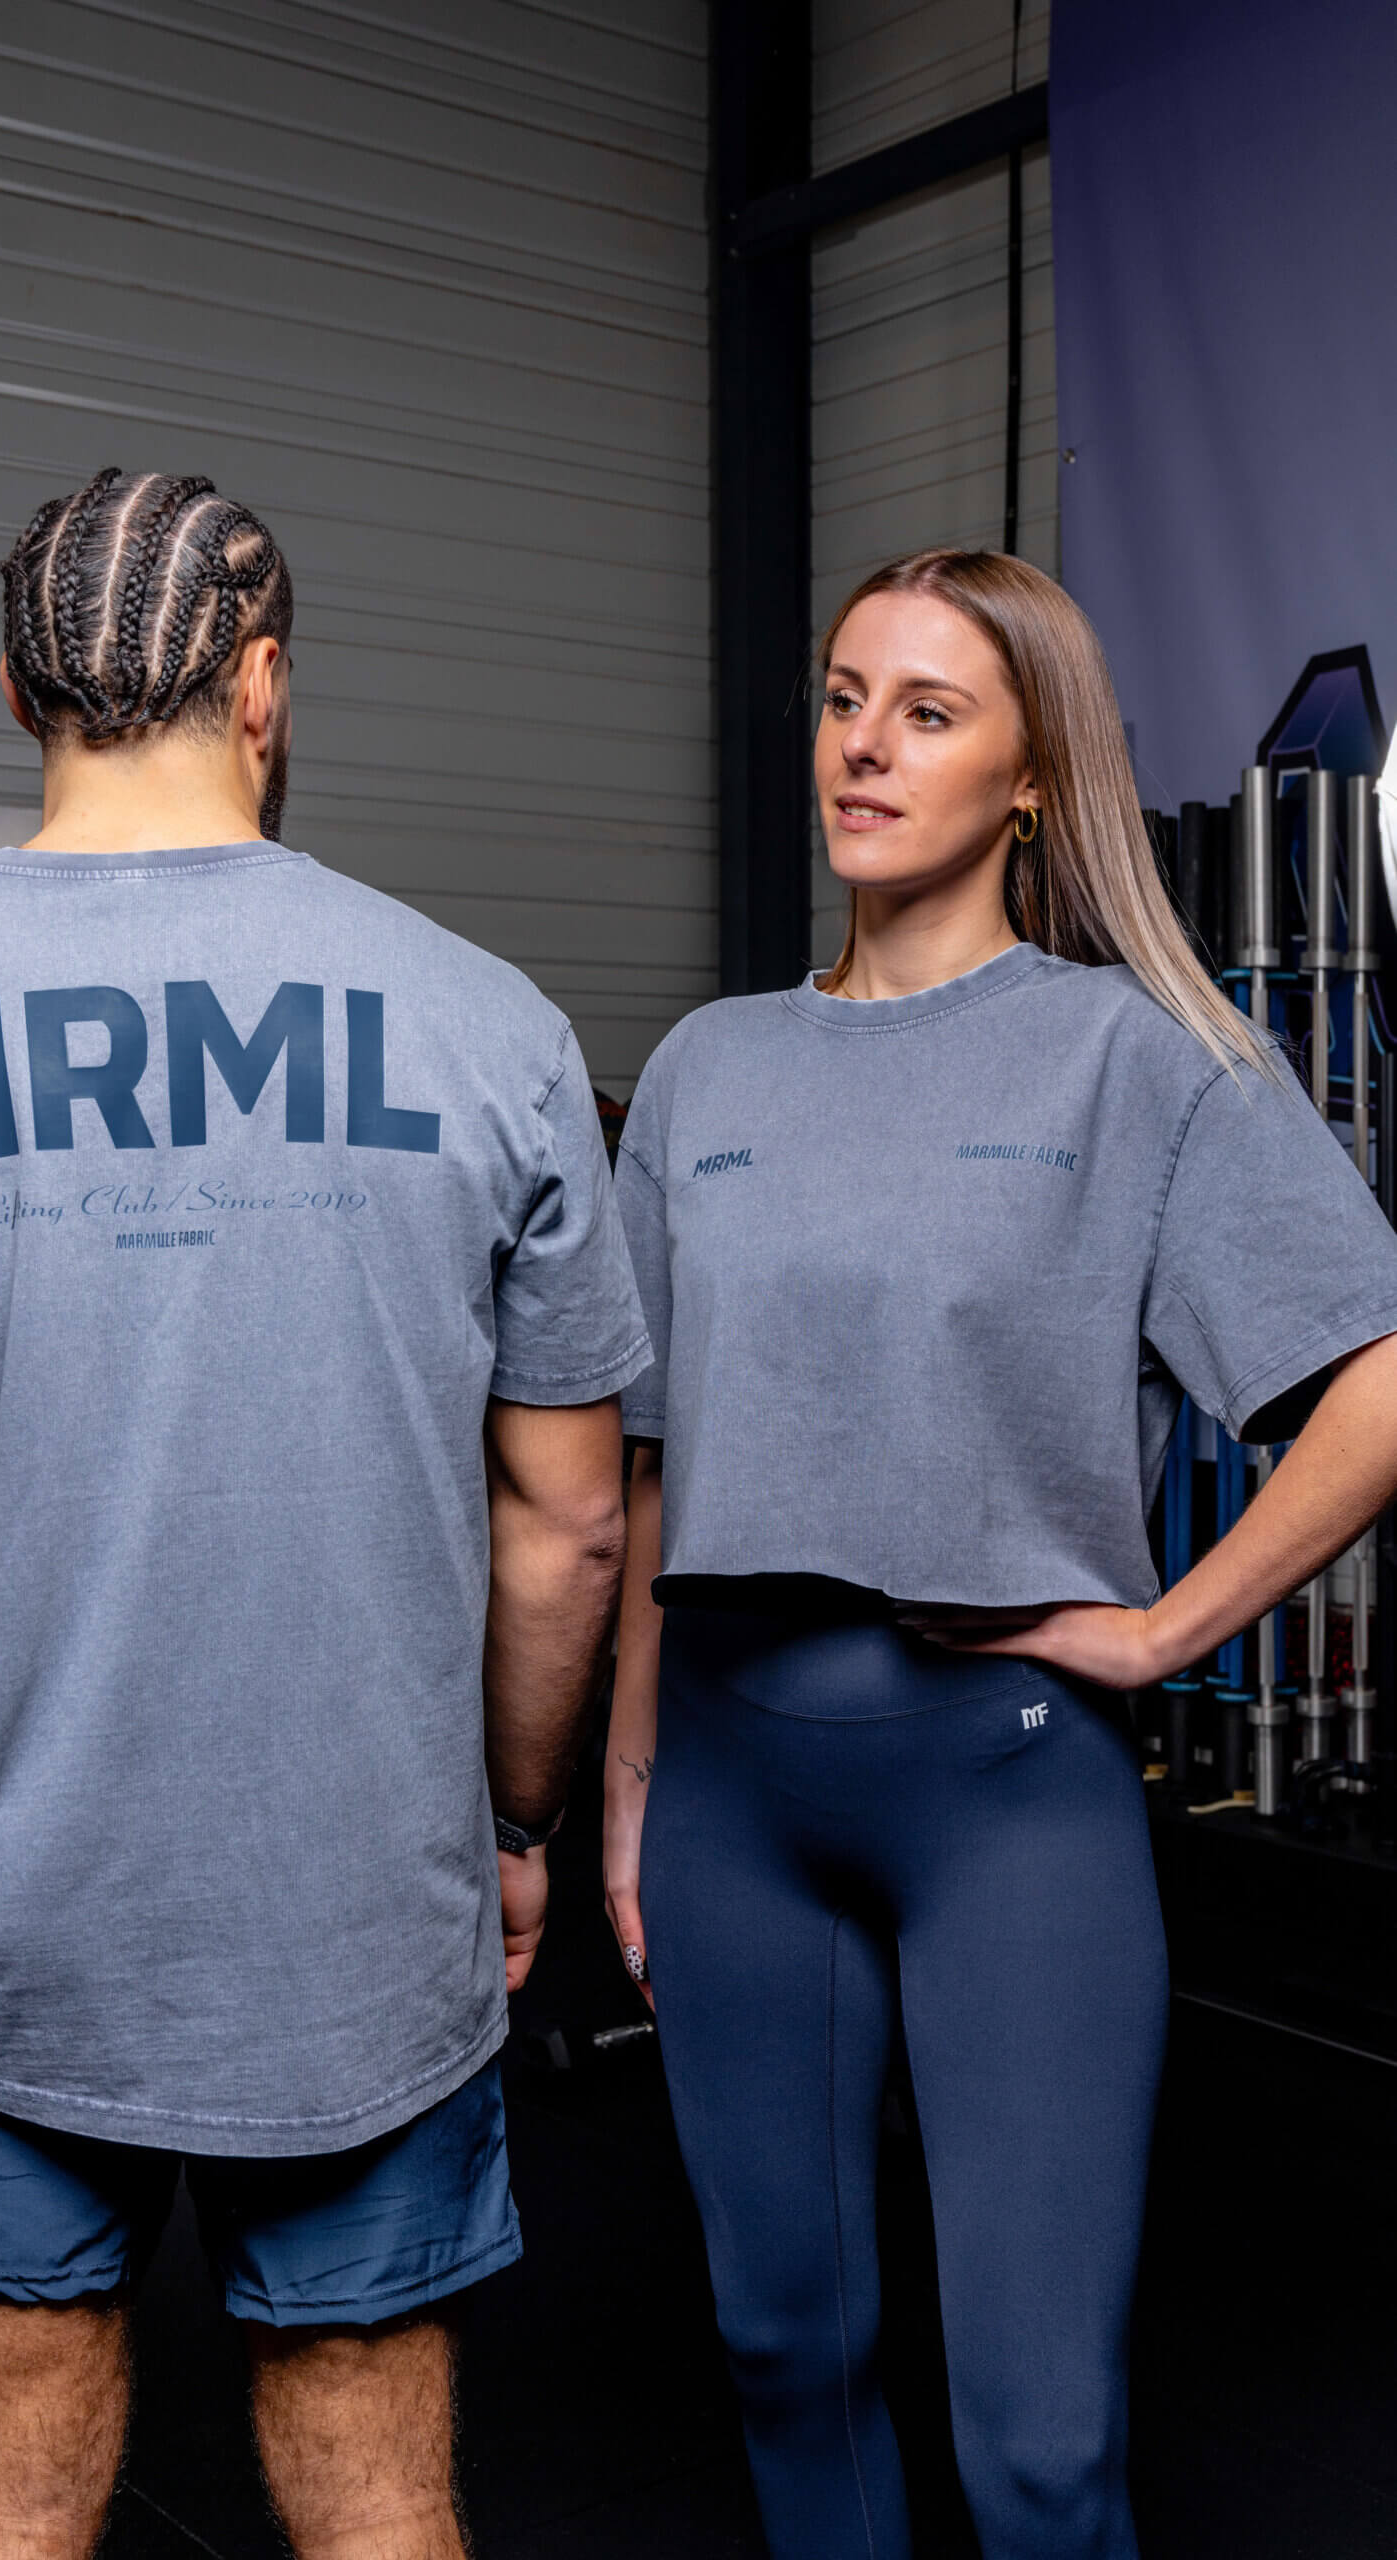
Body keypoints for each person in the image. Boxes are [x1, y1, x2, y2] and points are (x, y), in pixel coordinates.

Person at [0, 467, 650, 2560]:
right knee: (380, 2504)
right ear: (265, 684)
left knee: (7, 2504)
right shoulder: (492, 1028)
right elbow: (573, 1525)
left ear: (13, 686)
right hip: (362, 1923)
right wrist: (508, 1823)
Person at [603, 547, 1397, 2560]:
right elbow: (646, 1470)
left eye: (927, 711)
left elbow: (1377, 1384)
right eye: (842, 696)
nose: (861, 746)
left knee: (1036, 2445)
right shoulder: (704, 1067)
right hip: (725, 1795)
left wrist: (1162, 1631)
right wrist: (624, 1782)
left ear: (1034, 773)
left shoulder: (1133, 1059)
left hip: (1004, 1797)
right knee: (782, 2353)